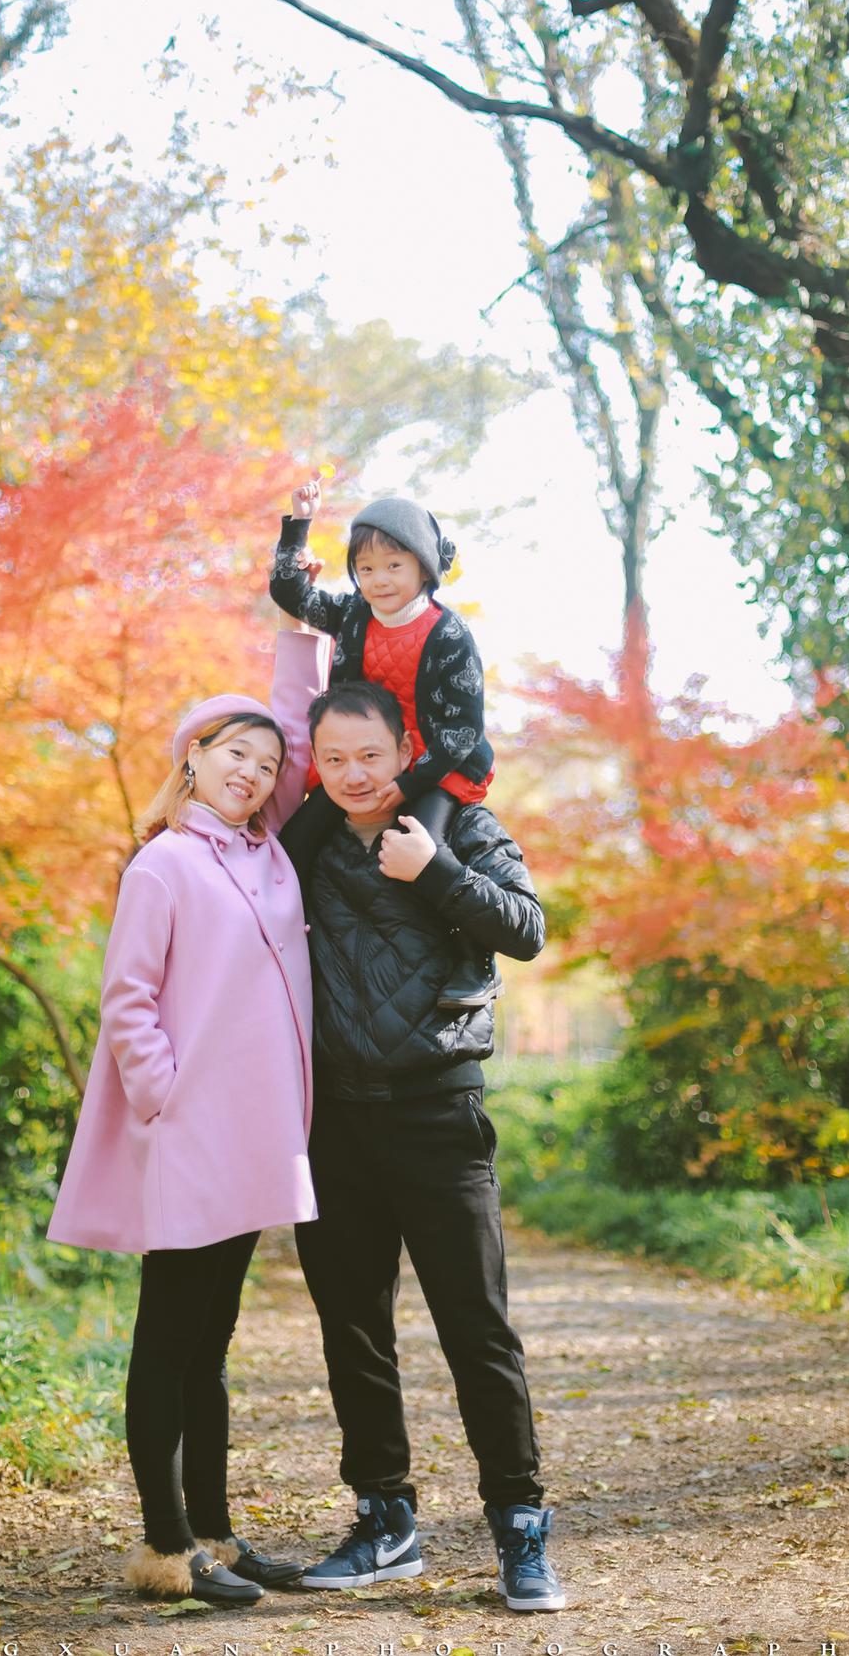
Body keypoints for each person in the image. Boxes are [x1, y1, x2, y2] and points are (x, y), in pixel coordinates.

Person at [271, 628, 566, 1614]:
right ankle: (383, 1519)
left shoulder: (461, 826)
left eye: (371, 753)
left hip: (439, 1115)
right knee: (352, 1330)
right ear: (317, 766)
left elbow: (526, 929)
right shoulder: (304, 848)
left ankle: (520, 1527)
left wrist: (433, 870)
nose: (355, 774)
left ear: (406, 749)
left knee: (476, 1329)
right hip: (333, 1126)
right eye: (335, 759)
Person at [46, 632, 330, 1607]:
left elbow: (301, 738)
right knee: (167, 1339)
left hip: (256, 1139)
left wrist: (299, 627)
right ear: (193, 759)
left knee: (212, 1345)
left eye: (265, 764)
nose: (253, 771)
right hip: (187, 1136)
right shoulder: (164, 864)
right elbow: (127, 1000)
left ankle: (214, 1534)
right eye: (234, 754)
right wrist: (166, 1098)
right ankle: (166, 1547)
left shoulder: (269, 856)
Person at [269, 482, 498, 1009]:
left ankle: (475, 958)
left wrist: (408, 783)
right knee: (296, 839)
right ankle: (282, 937)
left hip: (436, 764)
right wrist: (298, 527)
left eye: (394, 566)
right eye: (366, 568)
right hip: (363, 761)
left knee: (426, 848)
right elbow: (289, 596)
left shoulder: (449, 634)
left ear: (423, 568)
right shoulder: (355, 614)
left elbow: (463, 729)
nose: (379, 580)